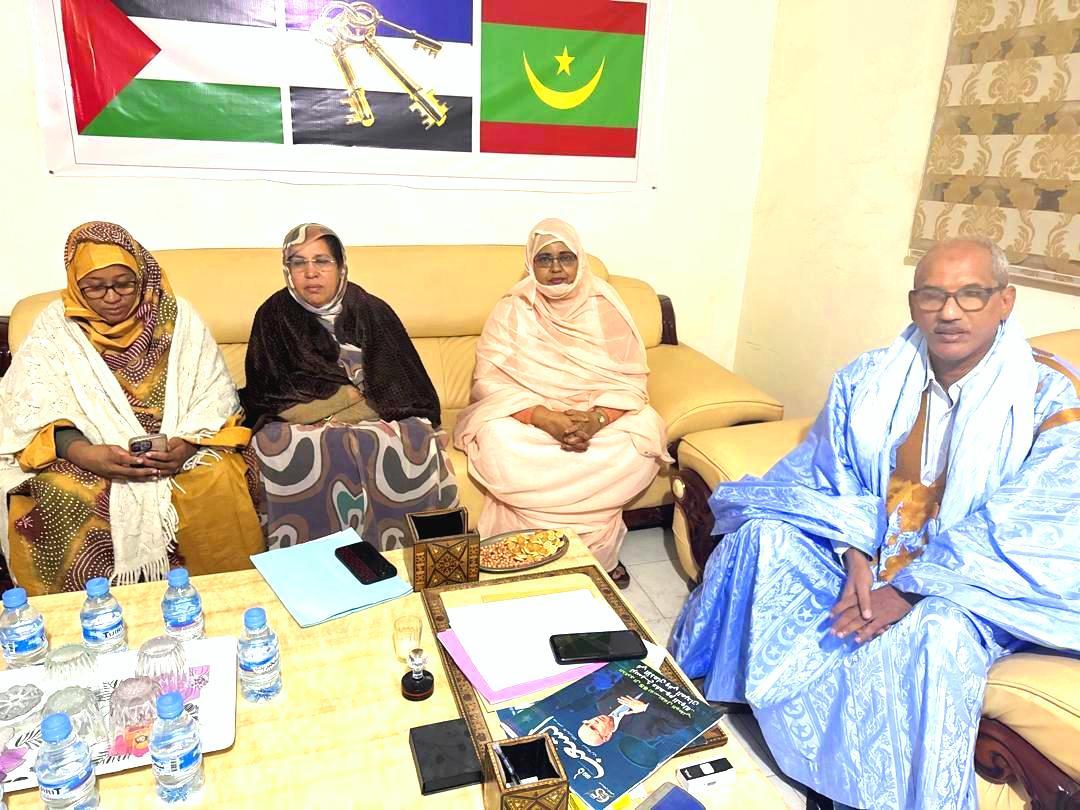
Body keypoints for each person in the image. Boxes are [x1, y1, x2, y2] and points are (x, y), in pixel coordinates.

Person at [670, 237, 1080, 809]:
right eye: (932, 295)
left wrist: (910, 590)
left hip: (971, 584)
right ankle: (715, 700)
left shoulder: (1052, 396)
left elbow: (1030, 524)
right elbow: (830, 473)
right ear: (913, 303)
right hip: (871, 549)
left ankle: (866, 791)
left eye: (971, 294)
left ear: (1005, 301)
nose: (949, 312)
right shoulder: (870, 376)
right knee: (763, 537)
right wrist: (854, 553)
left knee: (939, 632)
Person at [0, 222, 264, 595]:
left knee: (217, 477)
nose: (112, 297)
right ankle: (82, 611)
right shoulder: (55, 325)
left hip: (180, 445)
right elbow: (33, 406)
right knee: (60, 490)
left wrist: (186, 444)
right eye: (95, 287)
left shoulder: (178, 316)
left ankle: (224, 598)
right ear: (75, 284)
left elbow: (214, 394)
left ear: (142, 277)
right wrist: (86, 454)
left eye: (124, 284)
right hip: (89, 450)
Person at [452, 218, 669, 588]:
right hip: (530, 418)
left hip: (596, 413)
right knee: (497, 436)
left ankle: (593, 549)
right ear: (531, 264)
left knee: (643, 430)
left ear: (579, 261)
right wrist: (543, 417)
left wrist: (597, 419)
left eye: (566, 257)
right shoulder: (514, 308)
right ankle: (541, 549)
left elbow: (630, 379)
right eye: (544, 259)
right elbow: (490, 382)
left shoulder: (603, 304)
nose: (556, 268)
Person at [240, 223, 457, 551]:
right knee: (278, 445)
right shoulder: (273, 315)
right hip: (298, 423)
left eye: (322, 261)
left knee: (411, 438)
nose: (311, 273)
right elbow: (267, 395)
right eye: (298, 262)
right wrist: (344, 399)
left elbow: (405, 390)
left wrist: (355, 410)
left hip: (378, 417)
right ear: (287, 270)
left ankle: (396, 554)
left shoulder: (371, 311)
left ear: (341, 266)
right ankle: (312, 560)